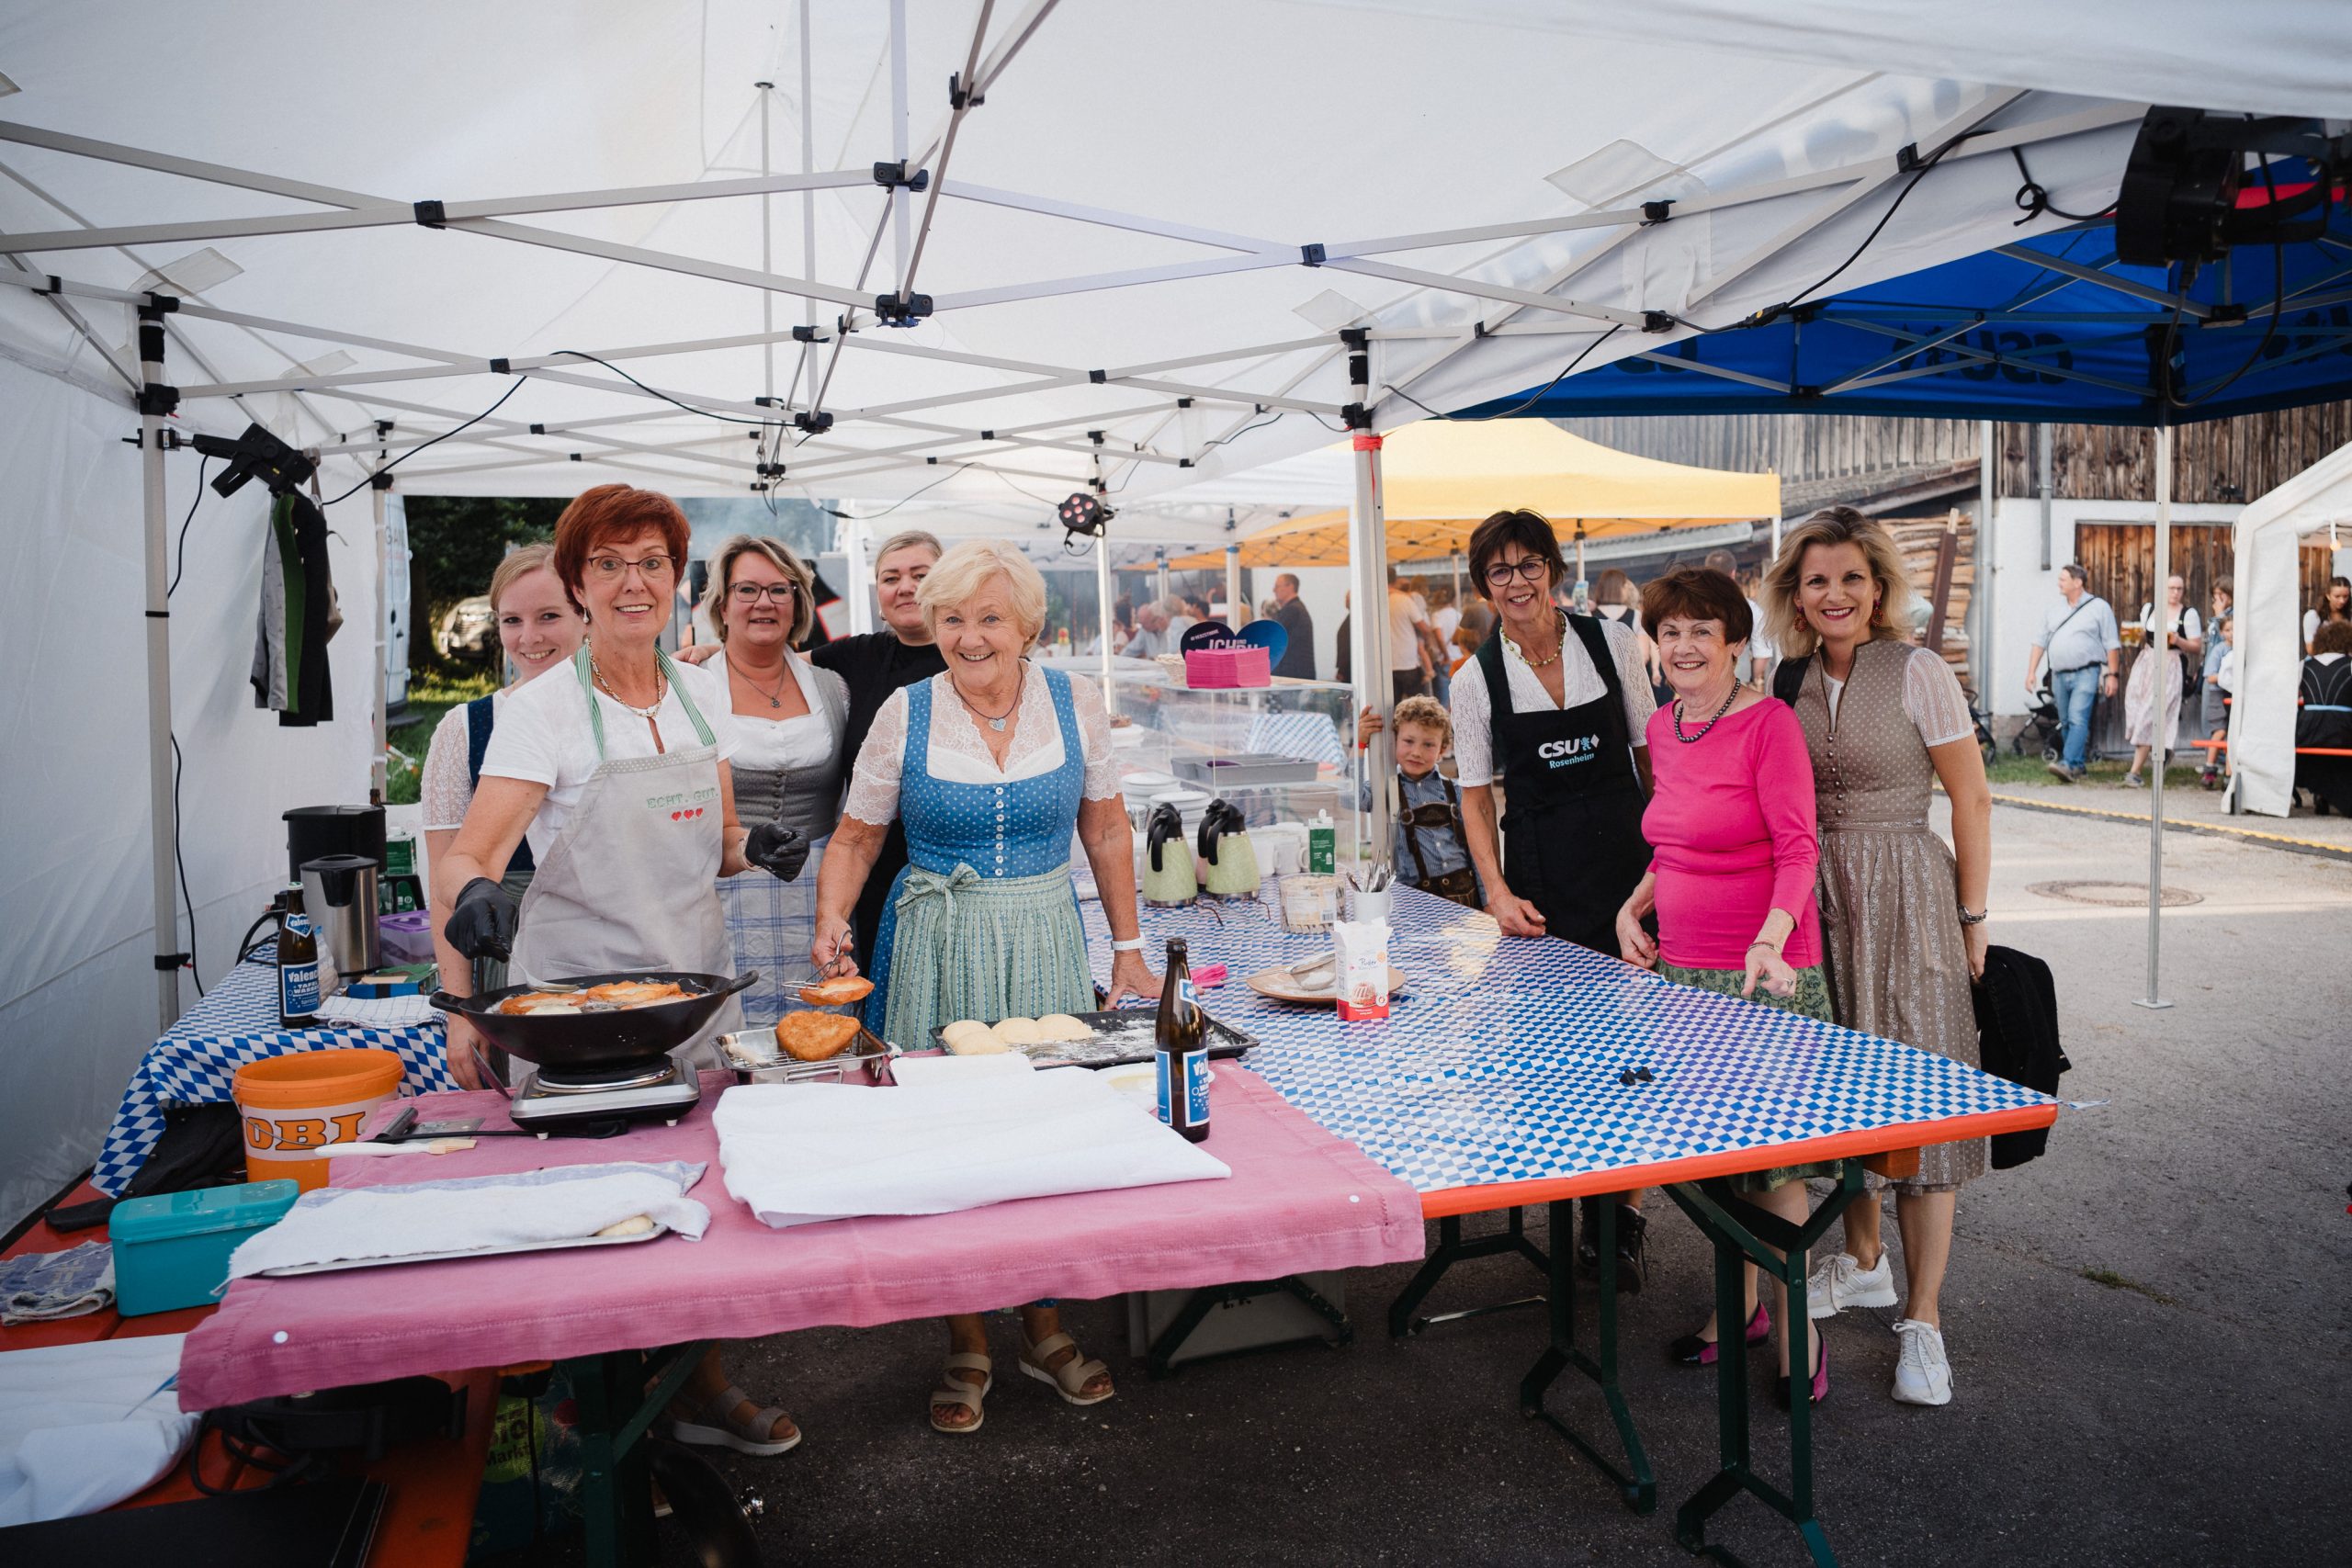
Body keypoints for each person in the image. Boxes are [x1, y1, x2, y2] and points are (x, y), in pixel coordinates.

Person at [434, 484, 810, 1458]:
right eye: (608, 564)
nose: (632, 581)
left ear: (676, 579)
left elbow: (712, 836)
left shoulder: (696, 692)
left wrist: (750, 846)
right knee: (600, 1221)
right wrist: (476, 894)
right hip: (581, 1006)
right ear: (579, 583)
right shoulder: (541, 712)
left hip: (686, 990)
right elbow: (468, 854)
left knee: (701, 1204)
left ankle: (703, 1388)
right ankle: (601, 1430)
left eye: (650, 562)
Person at [810, 540, 1156, 1434]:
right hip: (937, 939)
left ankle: (1042, 1326)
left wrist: (1127, 948)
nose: (969, 638)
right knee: (949, 1141)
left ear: (1028, 625)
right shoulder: (905, 711)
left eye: (988, 618)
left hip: (1043, 933)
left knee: (1044, 1132)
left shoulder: (1073, 702)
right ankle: (966, 1337)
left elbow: (1109, 828)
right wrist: (831, 920)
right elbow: (852, 838)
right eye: (952, 619)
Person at [1761, 505, 1993, 1409]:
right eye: (1816, 579)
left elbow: (1971, 799)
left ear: (1878, 587)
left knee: (1921, 1106)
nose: (1834, 594)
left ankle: (1924, 1320)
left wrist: (1972, 919)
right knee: (1843, 1102)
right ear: (1795, 592)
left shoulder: (1918, 668)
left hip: (1908, 893)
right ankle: (1863, 1263)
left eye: (1851, 578)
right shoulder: (1786, 678)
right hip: (1820, 902)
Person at [1611, 566, 1827, 1400]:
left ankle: (1797, 1324)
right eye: (1670, 632)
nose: (1685, 645)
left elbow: (1798, 848)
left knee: (1776, 1163)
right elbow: (1673, 843)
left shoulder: (1770, 723)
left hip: (1764, 969)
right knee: (1714, 1154)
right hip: (1686, 968)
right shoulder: (1667, 727)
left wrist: (1770, 941)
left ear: (1737, 642)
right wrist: (1634, 908)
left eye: (1703, 630)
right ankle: (1738, 1308)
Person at [1453, 509, 1656, 1285]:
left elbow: (1649, 753)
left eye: (1529, 564)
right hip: (1540, 875)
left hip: (1627, 868)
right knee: (1562, 1050)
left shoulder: (1610, 643)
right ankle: (1576, 1201)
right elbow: (1475, 797)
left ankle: (1625, 1217)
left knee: (1636, 1049)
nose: (1517, 582)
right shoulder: (1472, 679)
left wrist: (1667, 861)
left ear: (1554, 569)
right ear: (1484, 585)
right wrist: (1495, 891)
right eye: (1499, 570)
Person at [421, 545, 586, 1004]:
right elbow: (443, 884)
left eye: (548, 616)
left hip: (624, 952)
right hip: (509, 960)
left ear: (585, 615)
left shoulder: (625, 715)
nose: (528, 637)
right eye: (512, 620)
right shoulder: (465, 729)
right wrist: (458, 1006)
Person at [703, 536, 849, 1029]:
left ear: (798, 603)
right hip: (723, 887)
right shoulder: (692, 687)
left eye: (779, 590)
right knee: (734, 1029)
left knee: (823, 1029)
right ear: (722, 605)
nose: (764, 602)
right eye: (746, 590)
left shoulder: (832, 686)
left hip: (821, 891)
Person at [808, 530, 947, 979]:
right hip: (870, 869)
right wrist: (714, 652)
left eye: (920, 575)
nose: (904, 587)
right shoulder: (859, 653)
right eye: (891, 578)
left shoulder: (970, 657)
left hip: (950, 871)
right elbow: (776, 663)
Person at [1354, 694, 1482, 908]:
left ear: (1442, 750)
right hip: (1415, 900)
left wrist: (1489, 901)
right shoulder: (1388, 788)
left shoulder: (1456, 790)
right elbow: (1353, 798)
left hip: (1464, 897)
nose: (1416, 752)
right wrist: (1359, 745)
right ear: (1394, 741)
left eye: (1428, 745)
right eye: (1408, 741)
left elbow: (1477, 851)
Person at [2021, 563, 2122, 782]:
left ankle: (2067, 763)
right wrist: (2031, 672)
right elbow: (2040, 642)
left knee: (2077, 718)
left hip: (2086, 672)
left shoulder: (2099, 607)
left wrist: (2112, 675)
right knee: (2066, 721)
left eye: (2063, 579)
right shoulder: (2054, 610)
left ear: (2078, 583)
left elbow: (2112, 643)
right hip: (2058, 674)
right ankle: (2077, 767)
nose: (2059, 583)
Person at [2122, 574, 2201, 788]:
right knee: (2136, 706)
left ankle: (2135, 771)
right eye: (2171, 588)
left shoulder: (2188, 615)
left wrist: (2178, 640)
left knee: (2151, 712)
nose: (2175, 593)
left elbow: (2196, 647)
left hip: (2170, 665)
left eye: (2179, 589)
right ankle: (2163, 750)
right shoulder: (2150, 609)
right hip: (2147, 661)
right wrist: (2132, 635)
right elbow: (2142, 635)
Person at [2296, 620, 2352, 815]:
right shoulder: (2350, 664)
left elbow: (2290, 695)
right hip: (2342, 730)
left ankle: (2319, 791)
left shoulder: (2305, 665)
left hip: (2308, 730)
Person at [1704, 549, 1773, 685]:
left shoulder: (1692, 607)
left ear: (1706, 574)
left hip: (1701, 685)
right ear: (1734, 573)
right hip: (1738, 685)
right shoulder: (1751, 609)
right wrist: (1754, 681)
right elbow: (1762, 655)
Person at [2199, 581, 2234, 790]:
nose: (2216, 600)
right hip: (2218, 692)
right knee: (2218, 730)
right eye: (2215, 594)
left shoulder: (2233, 614)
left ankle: (2229, 772)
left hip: (2232, 693)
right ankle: (2210, 767)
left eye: (2221, 595)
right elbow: (2210, 673)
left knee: (2233, 733)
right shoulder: (2220, 648)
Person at [1387, 569, 1434, 700]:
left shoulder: (1374, 601)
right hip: (1407, 661)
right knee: (1416, 707)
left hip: (1385, 664)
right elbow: (1424, 628)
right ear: (1395, 580)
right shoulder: (1404, 600)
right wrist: (1426, 641)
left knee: (1392, 708)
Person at [1270, 571, 1317, 680]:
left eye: (1277, 586)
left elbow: (1273, 638)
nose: (1274, 590)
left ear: (1290, 586)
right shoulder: (1297, 608)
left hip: (1291, 677)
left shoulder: (1292, 610)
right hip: (1298, 675)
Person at [2303, 575, 2350, 651]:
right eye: (2337, 596)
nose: (2342, 601)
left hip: (2347, 661)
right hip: (2322, 660)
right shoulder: (2314, 616)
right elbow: (2310, 649)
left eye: (2345, 596)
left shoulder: (2349, 616)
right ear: (2328, 595)